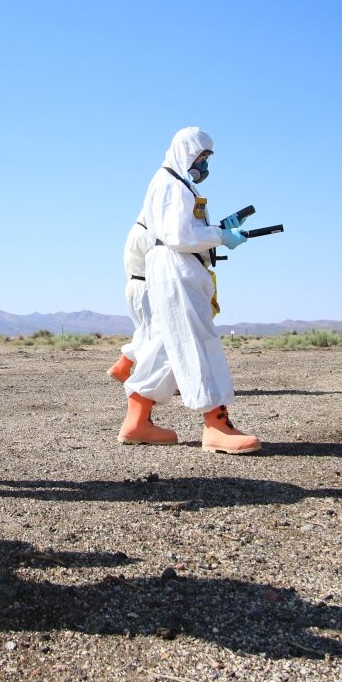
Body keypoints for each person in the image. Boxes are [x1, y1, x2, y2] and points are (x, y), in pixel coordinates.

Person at [120, 127, 261, 453]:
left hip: (177, 268)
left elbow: (185, 233)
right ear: (187, 151)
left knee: (167, 343)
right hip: (175, 268)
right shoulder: (171, 185)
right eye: (202, 155)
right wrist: (220, 236)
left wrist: (215, 234)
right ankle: (216, 424)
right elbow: (179, 236)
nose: (204, 163)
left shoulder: (177, 184)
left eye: (208, 157)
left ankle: (137, 420)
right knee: (198, 340)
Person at [106, 220, 153, 383]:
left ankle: (122, 367)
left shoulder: (138, 230)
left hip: (135, 285)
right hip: (145, 286)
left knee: (144, 332)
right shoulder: (146, 233)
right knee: (153, 335)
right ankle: (147, 379)